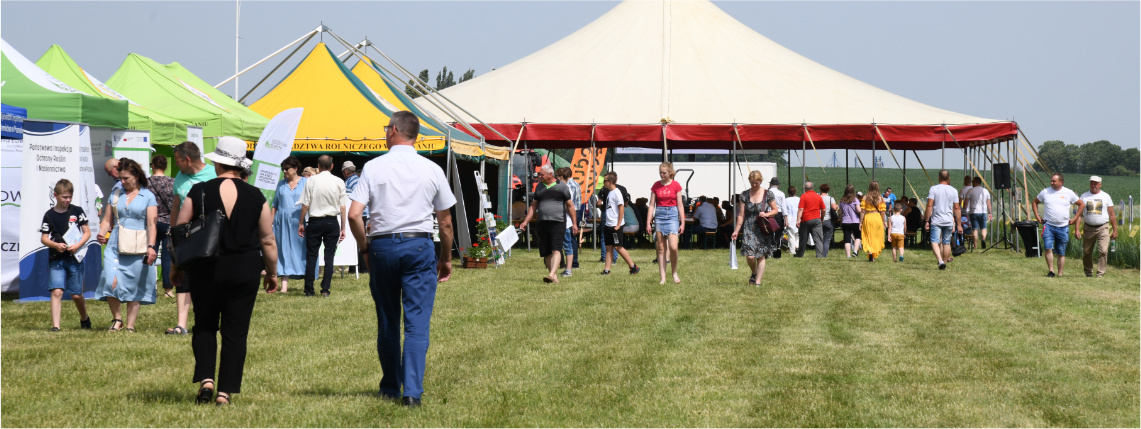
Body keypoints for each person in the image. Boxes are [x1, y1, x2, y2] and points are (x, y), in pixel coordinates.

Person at [347, 111, 455, 408]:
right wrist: (445, 258)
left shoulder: (373, 167)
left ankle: (390, 386)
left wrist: (365, 248)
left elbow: (354, 214)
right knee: (417, 324)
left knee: (387, 320)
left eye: (386, 128)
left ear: (393, 130)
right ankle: (412, 393)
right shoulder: (431, 169)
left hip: (382, 246)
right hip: (418, 246)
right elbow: (445, 223)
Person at [180, 137, 279, 406]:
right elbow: (268, 239)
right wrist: (272, 272)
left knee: (205, 325)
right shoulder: (257, 195)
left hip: (206, 267)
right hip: (245, 267)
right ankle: (224, 392)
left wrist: (178, 269)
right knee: (236, 332)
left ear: (216, 161)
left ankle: (206, 380)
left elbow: (179, 230)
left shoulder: (198, 191)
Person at [95, 158, 158, 332]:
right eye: (120, 178)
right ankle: (117, 319)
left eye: (126, 178)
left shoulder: (148, 196)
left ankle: (130, 325)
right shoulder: (116, 194)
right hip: (115, 244)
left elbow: (152, 224)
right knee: (109, 280)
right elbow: (107, 219)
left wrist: (151, 246)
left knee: (134, 283)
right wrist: (102, 233)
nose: (122, 182)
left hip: (138, 245)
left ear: (136, 176)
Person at [166, 141, 217, 336]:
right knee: (184, 275)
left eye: (178, 161)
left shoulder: (214, 174)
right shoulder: (180, 176)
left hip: (209, 233)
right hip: (185, 233)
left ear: (187, 160)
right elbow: (176, 205)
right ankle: (181, 324)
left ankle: (209, 319)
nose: (176, 165)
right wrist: (173, 232)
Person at [40, 179, 92, 331]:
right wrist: (56, 245)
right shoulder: (49, 215)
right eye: (64, 197)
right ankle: (56, 326)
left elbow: (87, 232)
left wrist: (77, 245)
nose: (67, 200)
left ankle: (84, 318)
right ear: (55, 195)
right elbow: (44, 238)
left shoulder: (77, 211)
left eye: (69, 197)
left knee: (76, 294)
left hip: (75, 259)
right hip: (56, 259)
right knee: (57, 291)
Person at [298, 155, 347, 297]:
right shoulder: (338, 181)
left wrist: (301, 222)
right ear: (332, 166)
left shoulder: (311, 181)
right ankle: (325, 289)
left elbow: (305, 204)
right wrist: (343, 227)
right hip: (332, 221)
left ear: (318, 166)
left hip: (315, 221)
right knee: (329, 257)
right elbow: (343, 207)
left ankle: (309, 289)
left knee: (311, 256)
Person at [520, 164, 577, 283]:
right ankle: (553, 276)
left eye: (541, 174)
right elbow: (533, 206)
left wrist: (575, 224)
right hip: (542, 222)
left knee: (556, 249)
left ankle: (551, 274)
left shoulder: (562, 187)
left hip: (558, 222)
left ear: (550, 175)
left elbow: (570, 206)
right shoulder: (539, 187)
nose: (539, 176)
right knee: (546, 251)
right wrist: (525, 222)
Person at [731, 171, 780, 286]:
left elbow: (775, 210)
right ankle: (754, 272)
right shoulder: (744, 195)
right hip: (749, 228)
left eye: (756, 183)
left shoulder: (768, 194)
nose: (754, 185)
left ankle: (758, 282)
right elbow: (741, 215)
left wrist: (766, 214)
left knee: (761, 255)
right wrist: (736, 231)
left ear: (761, 181)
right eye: (752, 183)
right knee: (750, 256)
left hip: (763, 227)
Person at [1032, 173, 1083, 277]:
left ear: (1061, 182)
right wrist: (1037, 217)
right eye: (1051, 181)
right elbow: (1034, 202)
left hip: (1063, 227)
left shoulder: (1068, 192)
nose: (1051, 183)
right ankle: (1051, 271)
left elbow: (1081, 204)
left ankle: (1060, 274)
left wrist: (1075, 218)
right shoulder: (1045, 192)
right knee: (1048, 248)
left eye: (1054, 181)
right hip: (1048, 226)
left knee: (1061, 251)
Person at [272, 156, 307, 293]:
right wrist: (270, 223)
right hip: (282, 221)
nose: (284, 171)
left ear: (296, 169)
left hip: (300, 220)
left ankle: (307, 283)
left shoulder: (306, 182)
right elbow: (275, 205)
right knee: (283, 252)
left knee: (302, 251)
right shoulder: (280, 184)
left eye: (287, 169)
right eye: (283, 169)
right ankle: (284, 287)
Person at [646, 162, 685, 285]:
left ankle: (674, 272)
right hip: (660, 215)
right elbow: (652, 205)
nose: (662, 175)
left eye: (664, 173)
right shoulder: (656, 186)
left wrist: (682, 222)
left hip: (672, 215)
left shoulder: (676, 185)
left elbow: (680, 205)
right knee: (661, 248)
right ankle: (662, 278)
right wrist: (648, 222)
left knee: (673, 247)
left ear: (670, 173)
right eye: (660, 173)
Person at [1075, 176, 1118, 278]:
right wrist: (1077, 229)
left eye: (1095, 184)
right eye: (1092, 183)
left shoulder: (1106, 196)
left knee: (1103, 250)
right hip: (1088, 228)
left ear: (1100, 185)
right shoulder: (1084, 197)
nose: (1093, 185)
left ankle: (1100, 273)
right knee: (1086, 252)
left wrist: (1115, 230)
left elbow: (1112, 214)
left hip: (1103, 227)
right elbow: (1079, 215)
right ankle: (1088, 272)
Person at [601, 172, 640, 275]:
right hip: (608, 224)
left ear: (610, 181)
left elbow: (621, 208)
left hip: (615, 225)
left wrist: (618, 224)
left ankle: (633, 266)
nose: (603, 183)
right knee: (609, 247)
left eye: (604, 181)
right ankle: (607, 270)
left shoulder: (617, 193)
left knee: (618, 247)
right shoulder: (610, 192)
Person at [924, 170, 964, 270]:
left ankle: (940, 260)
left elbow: (929, 205)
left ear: (939, 177)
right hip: (948, 220)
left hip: (937, 219)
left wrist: (927, 220)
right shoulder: (954, 190)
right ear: (948, 178)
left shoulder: (934, 189)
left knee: (934, 241)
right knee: (946, 242)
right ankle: (944, 263)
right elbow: (957, 208)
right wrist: (959, 224)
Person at [148, 155, 175, 299]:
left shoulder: (146, 183)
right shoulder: (172, 182)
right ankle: (168, 290)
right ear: (165, 166)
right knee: (167, 257)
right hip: (168, 222)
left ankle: (148, 287)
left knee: (149, 254)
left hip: (151, 221)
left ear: (152, 165)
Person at [556, 167, 582, 276]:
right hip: (576, 212)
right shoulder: (576, 184)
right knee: (572, 240)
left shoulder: (566, 186)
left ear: (562, 176)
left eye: (557, 176)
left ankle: (569, 265)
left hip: (568, 214)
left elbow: (568, 204)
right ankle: (572, 263)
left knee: (568, 242)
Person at [795, 182, 826, 258]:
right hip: (816, 219)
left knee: (803, 238)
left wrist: (798, 220)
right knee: (818, 238)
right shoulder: (818, 197)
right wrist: (821, 218)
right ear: (813, 188)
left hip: (806, 219)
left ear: (805, 188)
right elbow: (823, 210)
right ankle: (819, 255)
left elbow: (800, 209)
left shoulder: (803, 196)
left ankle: (800, 254)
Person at [860, 181, 887, 262]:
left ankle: (870, 251)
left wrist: (860, 222)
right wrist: (883, 222)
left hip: (868, 217)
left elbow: (862, 211)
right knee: (876, 237)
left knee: (868, 235)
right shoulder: (880, 198)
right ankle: (874, 256)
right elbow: (883, 212)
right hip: (877, 217)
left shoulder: (865, 197)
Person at [964, 177, 992, 248]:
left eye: (973, 181)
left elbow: (966, 201)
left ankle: (975, 245)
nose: (972, 183)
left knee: (975, 229)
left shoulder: (970, 191)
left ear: (976, 182)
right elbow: (988, 203)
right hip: (983, 212)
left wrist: (964, 210)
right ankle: (983, 239)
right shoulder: (985, 191)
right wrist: (990, 212)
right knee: (984, 228)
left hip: (974, 212)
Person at [838, 185, 863, 258]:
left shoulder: (842, 200)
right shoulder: (855, 200)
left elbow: (841, 213)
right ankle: (855, 251)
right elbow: (858, 210)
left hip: (845, 222)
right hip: (855, 221)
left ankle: (848, 255)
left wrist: (840, 222)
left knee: (847, 239)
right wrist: (863, 211)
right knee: (858, 236)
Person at [818, 183, 839, 256]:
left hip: (819, 220)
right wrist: (836, 205)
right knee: (827, 240)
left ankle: (819, 253)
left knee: (819, 238)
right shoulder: (830, 198)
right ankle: (824, 254)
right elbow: (834, 208)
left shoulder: (818, 197)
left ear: (820, 189)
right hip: (828, 220)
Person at [782, 186, 801, 254]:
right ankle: (797, 247)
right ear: (795, 192)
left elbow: (784, 211)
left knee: (791, 236)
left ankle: (792, 250)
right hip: (798, 219)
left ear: (788, 192)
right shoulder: (799, 199)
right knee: (797, 235)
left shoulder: (786, 200)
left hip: (790, 219)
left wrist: (785, 220)